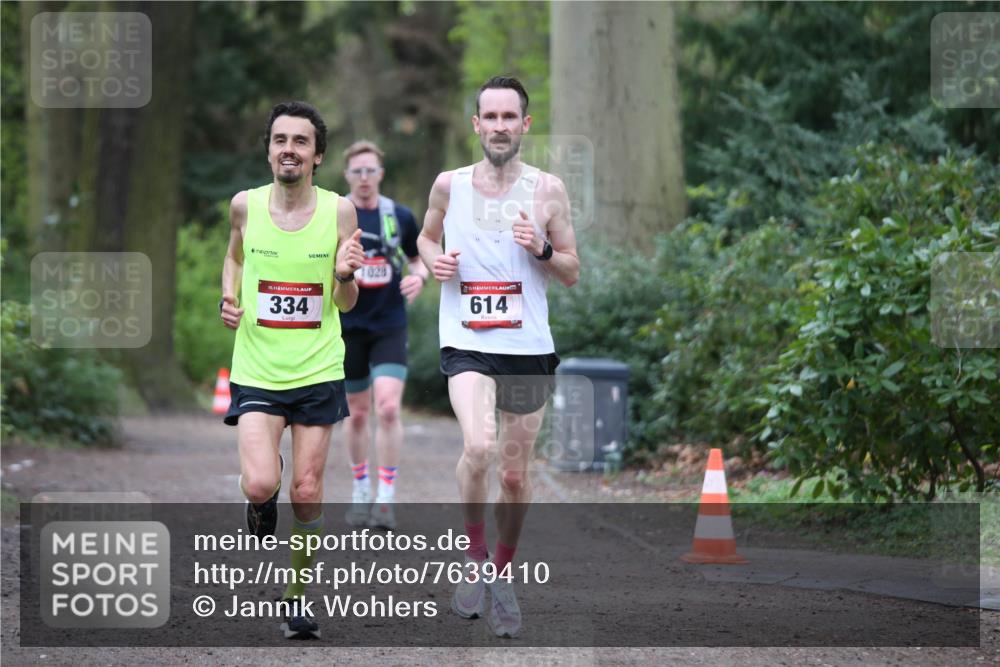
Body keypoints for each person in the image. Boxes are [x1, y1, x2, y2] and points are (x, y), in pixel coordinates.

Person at [417, 76, 579, 638]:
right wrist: (436, 260)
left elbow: (573, 270)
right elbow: (425, 237)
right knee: (479, 446)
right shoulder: (449, 185)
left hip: (528, 347)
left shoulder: (548, 190)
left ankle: (501, 576)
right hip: (467, 340)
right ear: (476, 125)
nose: (501, 125)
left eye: (511, 117)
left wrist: (541, 247)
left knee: (513, 475)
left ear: (525, 125)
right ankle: (473, 557)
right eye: (491, 116)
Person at [220, 100, 364, 640]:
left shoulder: (339, 212)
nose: (289, 149)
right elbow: (234, 257)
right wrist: (228, 297)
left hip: (318, 368)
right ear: (268, 150)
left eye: (301, 142)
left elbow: (344, 303)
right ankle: (260, 504)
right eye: (280, 140)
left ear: (317, 155)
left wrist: (346, 276)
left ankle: (298, 596)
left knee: (306, 489)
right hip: (257, 367)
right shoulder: (244, 206)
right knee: (262, 483)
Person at [339, 140, 429, 530]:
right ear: (347, 176)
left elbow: (418, 256)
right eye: (357, 171)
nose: (364, 178)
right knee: (357, 412)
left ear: (380, 174)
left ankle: (386, 497)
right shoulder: (335, 215)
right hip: (348, 327)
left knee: (389, 407)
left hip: (390, 324)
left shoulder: (399, 216)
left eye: (370, 171)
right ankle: (360, 488)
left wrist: (420, 277)